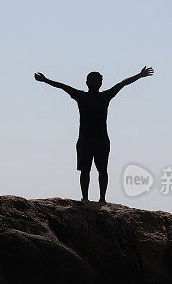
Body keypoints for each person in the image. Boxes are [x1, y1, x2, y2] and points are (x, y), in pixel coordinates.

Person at [34, 66, 154, 203]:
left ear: (101, 83)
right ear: (86, 82)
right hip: (85, 141)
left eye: (97, 80)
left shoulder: (105, 96)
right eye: (92, 80)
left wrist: (139, 75)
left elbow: (122, 84)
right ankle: (85, 198)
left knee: (102, 170)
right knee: (85, 171)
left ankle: (102, 199)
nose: (95, 83)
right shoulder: (81, 96)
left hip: (101, 141)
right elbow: (63, 87)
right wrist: (45, 80)